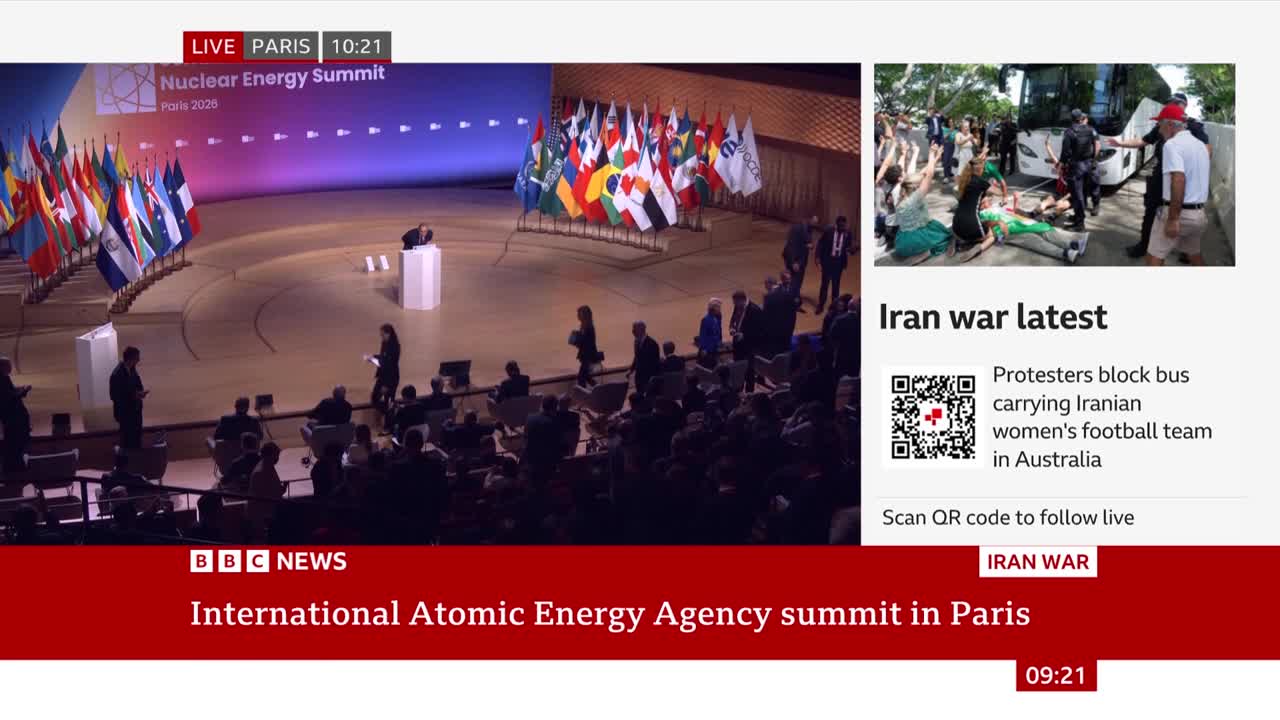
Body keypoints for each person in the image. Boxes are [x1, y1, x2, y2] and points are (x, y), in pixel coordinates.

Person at [1108, 92, 1212, 259]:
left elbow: (1206, 151)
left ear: (1184, 106)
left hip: (1182, 178)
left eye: (1176, 103)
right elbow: (1143, 141)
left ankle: (1185, 252)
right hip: (1160, 177)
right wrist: (1120, 143)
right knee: (1151, 212)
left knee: (1183, 214)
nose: (1171, 105)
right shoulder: (1162, 124)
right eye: (1170, 103)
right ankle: (1144, 245)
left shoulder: (1194, 127)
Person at [1145, 103, 1210, 266]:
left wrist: (1173, 219)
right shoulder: (1201, 146)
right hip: (1198, 216)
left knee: (1154, 256)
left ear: (1170, 124)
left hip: (1179, 215)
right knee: (1194, 255)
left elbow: (1178, 179)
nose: (1159, 130)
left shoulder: (1172, 145)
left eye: (1160, 125)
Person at [892, 144, 952, 263]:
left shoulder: (899, 191)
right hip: (916, 240)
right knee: (946, 236)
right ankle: (925, 252)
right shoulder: (915, 198)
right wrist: (931, 153)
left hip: (901, 244)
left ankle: (921, 251)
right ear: (915, 187)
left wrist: (936, 157)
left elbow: (924, 172)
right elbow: (928, 175)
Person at [1058, 109, 1099, 231]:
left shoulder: (1069, 132)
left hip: (1076, 167)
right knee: (1084, 192)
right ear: (1081, 118)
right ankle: (1077, 217)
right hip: (1088, 165)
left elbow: (1065, 152)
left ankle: (1079, 224)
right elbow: (1096, 145)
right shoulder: (1090, 129)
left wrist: (1061, 165)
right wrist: (1093, 160)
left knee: (1077, 195)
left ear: (1071, 118)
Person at [109, 346, 147, 449]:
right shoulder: (117, 374)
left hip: (135, 411)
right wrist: (133, 396)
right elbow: (114, 396)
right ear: (131, 358)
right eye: (137, 358)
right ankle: (127, 463)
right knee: (127, 442)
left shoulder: (132, 368)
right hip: (125, 414)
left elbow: (138, 383)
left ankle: (136, 461)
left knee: (137, 439)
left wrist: (140, 392)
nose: (139, 360)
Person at [815, 216, 854, 314]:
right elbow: (820, 243)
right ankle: (820, 305)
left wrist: (852, 250)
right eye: (841, 226)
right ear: (837, 225)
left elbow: (849, 247)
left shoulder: (847, 233)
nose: (843, 228)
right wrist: (817, 257)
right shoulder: (829, 230)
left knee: (836, 286)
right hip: (828, 261)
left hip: (838, 263)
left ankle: (834, 307)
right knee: (825, 284)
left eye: (844, 226)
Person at [366, 323, 401, 431]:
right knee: (375, 398)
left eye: (383, 335)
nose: (381, 337)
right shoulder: (384, 343)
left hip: (390, 379)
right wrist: (373, 357)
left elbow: (390, 366)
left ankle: (389, 425)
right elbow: (383, 357)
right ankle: (391, 414)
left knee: (388, 401)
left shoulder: (395, 347)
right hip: (382, 376)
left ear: (389, 334)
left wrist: (386, 385)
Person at [247, 442, 284, 539]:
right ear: (270, 455)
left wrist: (280, 490)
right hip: (262, 517)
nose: (277, 458)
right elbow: (261, 498)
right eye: (276, 455)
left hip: (268, 512)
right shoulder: (260, 472)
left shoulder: (268, 466)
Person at [0, 356, 31, 472]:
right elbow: (8, 398)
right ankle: (14, 468)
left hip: (13, 418)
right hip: (13, 419)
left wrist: (20, 391)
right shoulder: (2, 379)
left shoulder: (4, 378)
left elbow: (10, 393)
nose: (10, 368)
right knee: (16, 444)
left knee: (15, 443)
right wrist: (23, 391)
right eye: (8, 365)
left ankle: (14, 467)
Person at [782, 216, 815, 309]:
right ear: (809, 219)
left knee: (797, 281)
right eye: (814, 220)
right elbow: (791, 246)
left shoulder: (808, 229)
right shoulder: (798, 229)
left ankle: (794, 300)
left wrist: (810, 245)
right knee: (794, 281)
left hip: (800, 260)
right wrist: (793, 262)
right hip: (794, 260)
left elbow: (808, 244)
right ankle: (792, 303)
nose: (815, 223)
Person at [761, 276, 794, 356]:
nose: (765, 287)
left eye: (765, 285)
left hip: (774, 328)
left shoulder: (768, 297)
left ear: (769, 284)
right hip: (786, 326)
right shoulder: (786, 292)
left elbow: (766, 314)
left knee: (775, 350)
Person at [626, 320, 661, 394]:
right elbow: (637, 357)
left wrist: (651, 380)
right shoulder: (636, 342)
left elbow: (654, 364)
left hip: (648, 378)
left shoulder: (652, 344)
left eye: (634, 329)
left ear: (641, 329)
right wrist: (631, 370)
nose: (632, 331)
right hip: (639, 378)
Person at [570, 305, 600, 388]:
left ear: (584, 315)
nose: (578, 316)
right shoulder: (585, 326)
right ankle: (598, 388)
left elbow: (588, 343)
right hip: (586, 356)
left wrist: (577, 341)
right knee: (586, 377)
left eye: (579, 314)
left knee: (581, 378)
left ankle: (585, 394)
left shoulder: (588, 327)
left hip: (588, 356)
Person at [695, 298, 723, 369]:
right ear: (714, 309)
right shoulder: (706, 320)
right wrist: (704, 348)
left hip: (714, 348)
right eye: (719, 308)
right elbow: (703, 334)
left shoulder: (716, 318)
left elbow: (718, 332)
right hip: (707, 350)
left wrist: (719, 341)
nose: (720, 310)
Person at [940, 118, 957, 182]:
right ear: (947, 122)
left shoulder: (955, 130)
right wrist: (950, 131)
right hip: (947, 145)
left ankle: (950, 173)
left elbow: (956, 138)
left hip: (953, 145)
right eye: (950, 122)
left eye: (952, 121)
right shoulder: (945, 129)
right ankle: (945, 176)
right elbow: (944, 137)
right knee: (946, 160)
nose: (951, 123)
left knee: (951, 160)